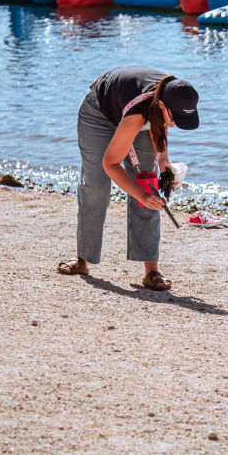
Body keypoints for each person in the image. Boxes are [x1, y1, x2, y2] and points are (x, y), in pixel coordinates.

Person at [57, 66, 201, 291]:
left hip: (132, 109)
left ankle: (151, 271)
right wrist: (141, 195)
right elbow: (110, 164)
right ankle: (82, 260)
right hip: (98, 112)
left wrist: (164, 163)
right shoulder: (140, 112)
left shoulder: (168, 97)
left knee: (148, 181)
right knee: (96, 185)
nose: (174, 124)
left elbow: (160, 125)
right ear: (162, 105)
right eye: (175, 118)